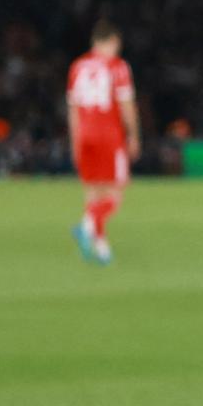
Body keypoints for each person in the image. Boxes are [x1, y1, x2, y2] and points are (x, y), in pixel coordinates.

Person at [65, 20, 140, 266]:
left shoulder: (77, 67)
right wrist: (133, 134)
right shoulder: (118, 67)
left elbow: (73, 110)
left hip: (85, 135)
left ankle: (101, 249)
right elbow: (126, 105)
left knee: (93, 193)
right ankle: (87, 226)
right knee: (116, 193)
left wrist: (75, 142)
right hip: (109, 135)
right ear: (112, 41)